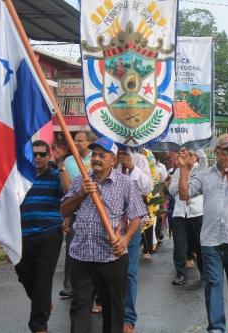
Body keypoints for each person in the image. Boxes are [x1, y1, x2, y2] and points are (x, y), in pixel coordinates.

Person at [61, 137, 147, 333]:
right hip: (81, 256)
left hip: (111, 257)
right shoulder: (80, 181)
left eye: (102, 155)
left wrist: (125, 240)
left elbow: (137, 215)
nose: (97, 159)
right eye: (95, 155)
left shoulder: (125, 183)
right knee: (79, 309)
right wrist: (80, 194)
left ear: (113, 160)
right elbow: (64, 210)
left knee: (113, 312)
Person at [178, 134, 228, 333]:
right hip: (211, 239)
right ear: (217, 152)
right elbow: (185, 194)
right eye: (227, 150)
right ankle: (216, 327)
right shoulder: (204, 174)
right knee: (213, 283)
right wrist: (184, 169)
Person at [15, 140, 68, 333]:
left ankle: (38, 326)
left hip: (49, 234)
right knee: (23, 273)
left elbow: (69, 189)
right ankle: (43, 303)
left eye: (42, 154)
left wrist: (61, 163)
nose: (38, 157)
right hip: (22, 235)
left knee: (43, 279)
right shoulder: (20, 176)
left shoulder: (56, 175)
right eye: (34, 154)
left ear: (49, 156)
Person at [116, 148, 153, 333]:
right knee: (109, 272)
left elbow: (148, 187)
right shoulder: (107, 157)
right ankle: (112, 313)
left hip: (131, 224)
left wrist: (132, 166)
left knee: (129, 272)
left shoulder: (139, 159)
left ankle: (128, 318)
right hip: (108, 227)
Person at [59, 131, 94, 299]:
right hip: (74, 207)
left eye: (80, 140)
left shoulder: (96, 158)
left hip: (93, 208)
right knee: (71, 247)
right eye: (75, 140)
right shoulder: (68, 161)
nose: (76, 143)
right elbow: (67, 188)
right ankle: (69, 285)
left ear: (89, 142)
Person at [168, 149, 205, 285]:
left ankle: (204, 272)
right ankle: (181, 274)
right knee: (179, 246)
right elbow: (171, 191)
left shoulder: (200, 170)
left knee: (200, 244)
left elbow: (204, 158)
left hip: (196, 212)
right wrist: (182, 182)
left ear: (195, 158)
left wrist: (195, 146)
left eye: (191, 155)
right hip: (180, 213)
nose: (188, 157)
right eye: (185, 155)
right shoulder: (177, 171)